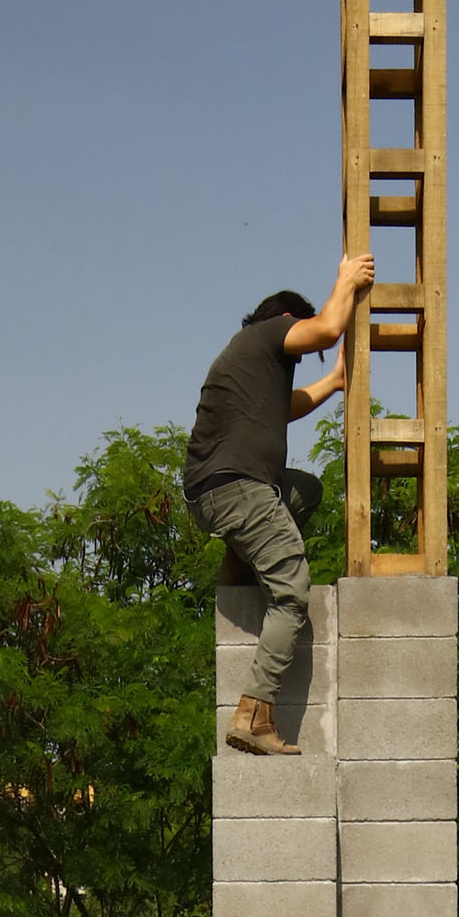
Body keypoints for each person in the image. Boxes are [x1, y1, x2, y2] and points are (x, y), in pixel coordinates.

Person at [184, 252, 375, 755]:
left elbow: (288, 406)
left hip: (223, 491)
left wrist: (333, 383)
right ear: (287, 321)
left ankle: (237, 562)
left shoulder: (248, 362)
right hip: (238, 488)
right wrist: (346, 282)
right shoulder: (269, 333)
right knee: (292, 591)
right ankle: (255, 713)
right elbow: (328, 328)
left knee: (304, 490)